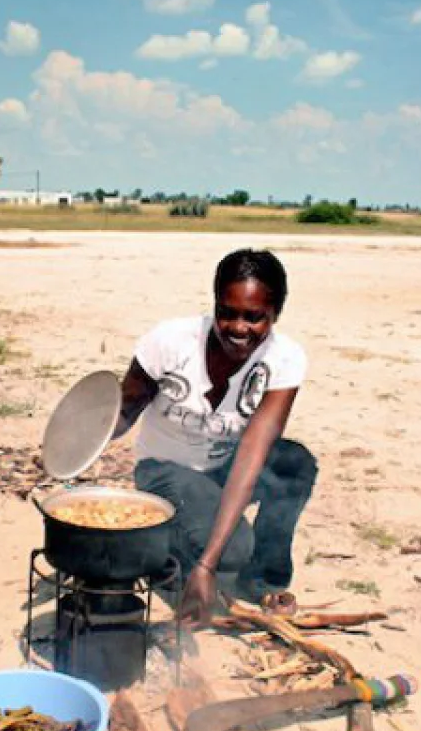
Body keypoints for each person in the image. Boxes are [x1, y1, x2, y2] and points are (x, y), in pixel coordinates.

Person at [113, 247, 317, 622]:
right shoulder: (171, 342)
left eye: (254, 317)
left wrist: (207, 565)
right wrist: (82, 432)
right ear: (215, 306)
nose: (238, 328)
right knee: (233, 548)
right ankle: (170, 562)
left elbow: (253, 456)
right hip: (164, 470)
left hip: (223, 468)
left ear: (275, 317)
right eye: (228, 313)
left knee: (295, 464)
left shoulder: (284, 359)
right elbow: (122, 412)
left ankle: (263, 578)